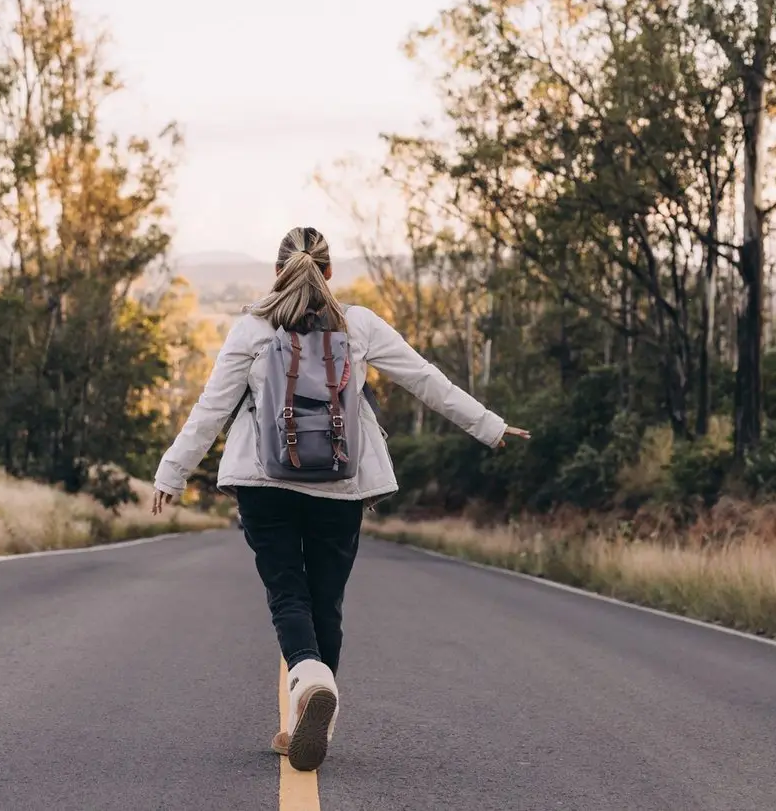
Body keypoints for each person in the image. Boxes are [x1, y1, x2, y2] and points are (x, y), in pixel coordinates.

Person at [150, 226, 529, 772]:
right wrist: (490, 427)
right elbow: (426, 380)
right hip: (340, 485)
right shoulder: (359, 326)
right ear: (329, 273)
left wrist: (172, 472)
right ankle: (315, 696)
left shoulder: (252, 328)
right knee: (325, 599)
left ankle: (308, 682)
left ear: (277, 272)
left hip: (265, 484)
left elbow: (210, 410)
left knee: (288, 594)